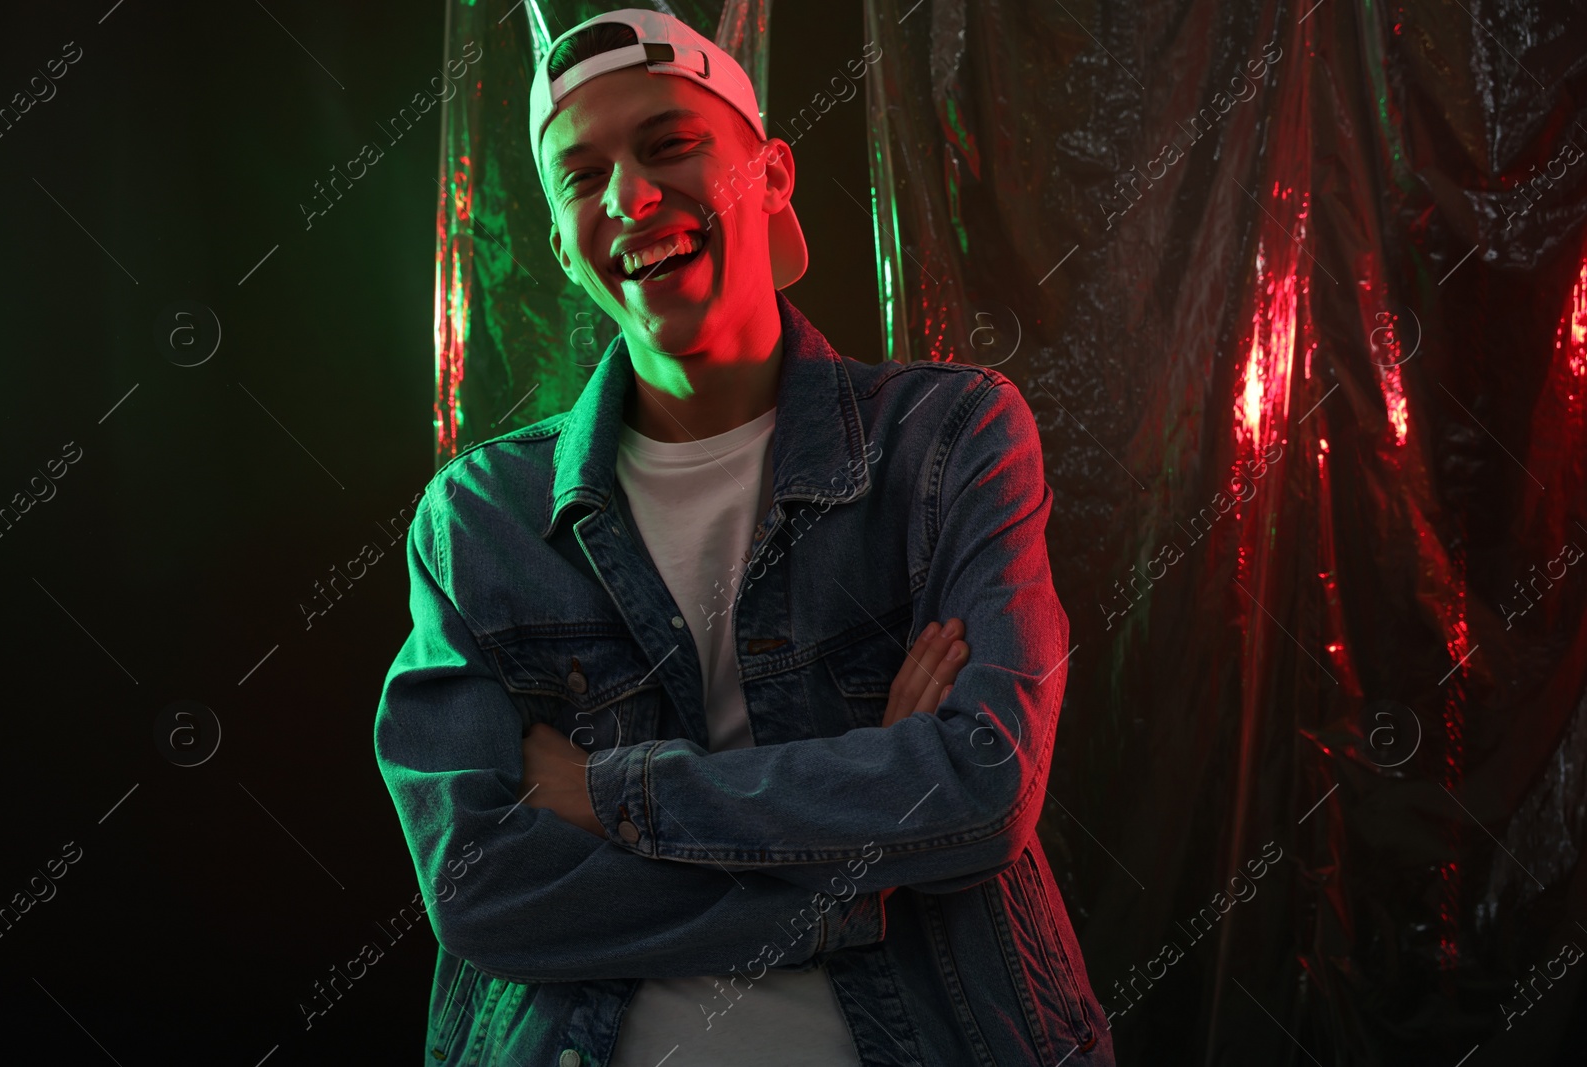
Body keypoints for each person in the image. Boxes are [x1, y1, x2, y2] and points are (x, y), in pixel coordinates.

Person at [374, 8, 1114, 1065]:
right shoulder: (481, 518)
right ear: (559, 246)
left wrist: (604, 792)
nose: (630, 197)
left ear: (770, 176)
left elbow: (980, 786)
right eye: (582, 177)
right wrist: (862, 859)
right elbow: (478, 888)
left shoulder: (948, 441)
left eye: (669, 144)